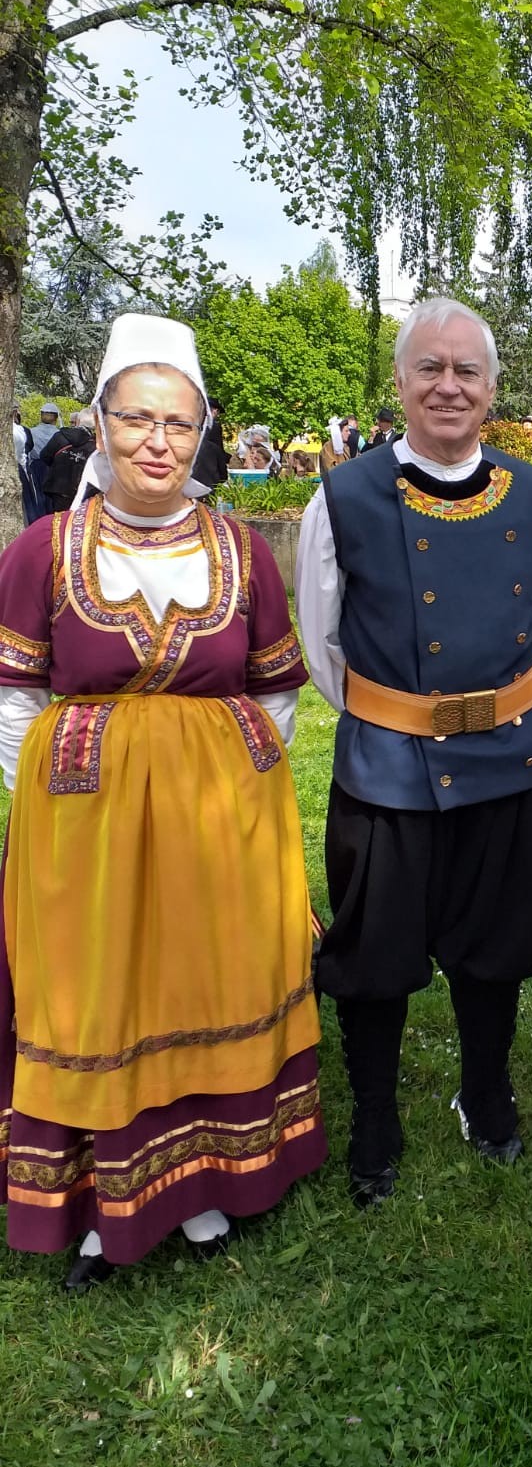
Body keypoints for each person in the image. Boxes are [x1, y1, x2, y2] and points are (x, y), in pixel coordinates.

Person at [0, 313, 326, 1291]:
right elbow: (15, 694)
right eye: (137, 419)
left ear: (202, 432)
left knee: (208, 982)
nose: (157, 441)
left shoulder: (242, 550)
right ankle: (107, 1201)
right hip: (84, 826)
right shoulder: (45, 551)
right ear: (100, 423)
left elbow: (275, 689)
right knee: (104, 996)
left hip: (219, 822)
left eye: (178, 424)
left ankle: (210, 1178)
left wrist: (223, 771)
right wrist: (59, 806)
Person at [296, 297, 532, 1206]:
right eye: (430, 368)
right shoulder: (341, 495)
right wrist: (399, 718)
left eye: (467, 371)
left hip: (511, 759)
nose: (448, 386)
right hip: (388, 765)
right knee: (376, 950)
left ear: (492, 388)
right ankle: (376, 1112)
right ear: (402, 383)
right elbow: (321, 640)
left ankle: (485, 1093)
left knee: (496, 942)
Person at [40, 414, 97, 514]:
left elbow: (44, 456)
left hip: (57, 488)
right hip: (80, 491)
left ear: (78, 421)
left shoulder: (60, 436)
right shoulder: (95, 444)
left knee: (57, 521)